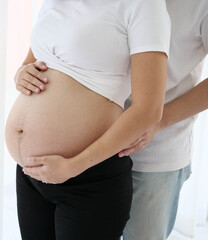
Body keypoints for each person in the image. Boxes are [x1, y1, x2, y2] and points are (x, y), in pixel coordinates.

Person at [14, 0, 208, 239]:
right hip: (83, 149)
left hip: (155, 149)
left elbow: (148, 110)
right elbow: (53, 54)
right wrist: (23, 71)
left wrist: (158, 120)